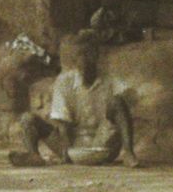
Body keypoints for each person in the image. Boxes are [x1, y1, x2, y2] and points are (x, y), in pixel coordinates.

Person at [14, 33, 140, 168]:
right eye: (80, 55)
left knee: (118, 101)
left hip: (103, 141)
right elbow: (63, 123)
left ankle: (129, 153)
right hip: (71, 143)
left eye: (89, 54)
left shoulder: (110, 80)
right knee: (27, 119)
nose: (85, 59)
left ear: (97, 56)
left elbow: (129, 102)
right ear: (74, 60)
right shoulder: (64, 81)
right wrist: (66, 152)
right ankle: (34, 156)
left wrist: (117, 111)